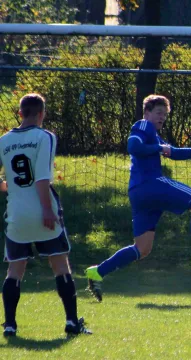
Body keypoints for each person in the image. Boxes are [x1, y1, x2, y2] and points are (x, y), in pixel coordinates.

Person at [85, 95, 191, 302]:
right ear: (147, 112)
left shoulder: (152, 135)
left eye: (165, 115)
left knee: (142, 249)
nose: (162, 117)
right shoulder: (143, 126)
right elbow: (133, 146)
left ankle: (97, 272)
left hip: (138, 193)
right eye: (159, 112)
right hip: (151, 184)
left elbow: (174, 153)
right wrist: (159, 148)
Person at [0, 93, 91, 336]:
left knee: (14, 271)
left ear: (20, 113)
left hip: (16, 216)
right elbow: (41, 177)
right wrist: (47, 209)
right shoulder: (45, 137)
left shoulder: (4, 140)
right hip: (43, 213)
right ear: (42, 113)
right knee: (60, 265)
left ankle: (9, 325)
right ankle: (72, 322)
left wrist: (9, 186)